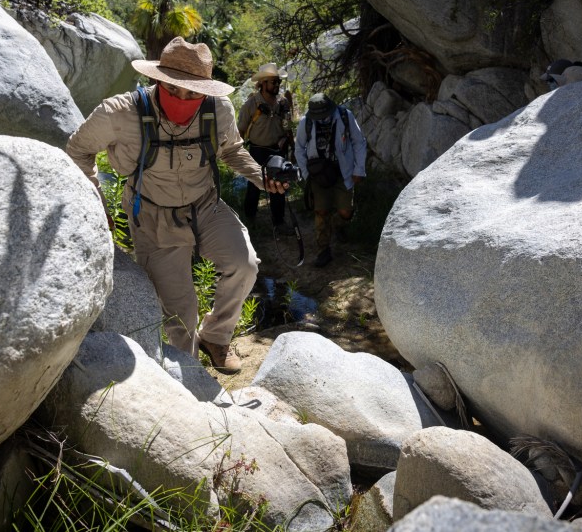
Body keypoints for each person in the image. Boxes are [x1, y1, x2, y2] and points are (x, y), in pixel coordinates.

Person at [65, 37, 287, 373]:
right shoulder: (119, 113)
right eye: (174, 89)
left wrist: (261, 178)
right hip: (153, 218)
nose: (183, 99)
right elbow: (78, 150)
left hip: (206, 206)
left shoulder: (219, 110)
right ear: (157, 80)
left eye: (194, 93)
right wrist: (97, 201)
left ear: (206, 91)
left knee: (245, 265)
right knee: (180, 316)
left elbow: (231, 151)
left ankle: (216, 336)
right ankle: (192, 381)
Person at [294, 93, 367, 268]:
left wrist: (359, 169)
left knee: (345, 212)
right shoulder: (307, 122)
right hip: (318, 173)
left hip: (343, 171)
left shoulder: (344, 116)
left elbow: (359, 142)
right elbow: (299, 148)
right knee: (321, 212)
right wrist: (306, 175)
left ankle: (338, 226)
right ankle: (323, 250)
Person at [237, 62, 293, 227]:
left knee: (279, 186)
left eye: (278, 82)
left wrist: (291, 145)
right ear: (262, 83)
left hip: (278, 151)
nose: (277, 85)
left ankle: (279, 222)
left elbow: (288, 127)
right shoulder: (251, 105)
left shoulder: (283, 104)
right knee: (254, 185)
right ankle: (249, 220)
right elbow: (240, 131)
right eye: (273, 81)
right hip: (257, 151)